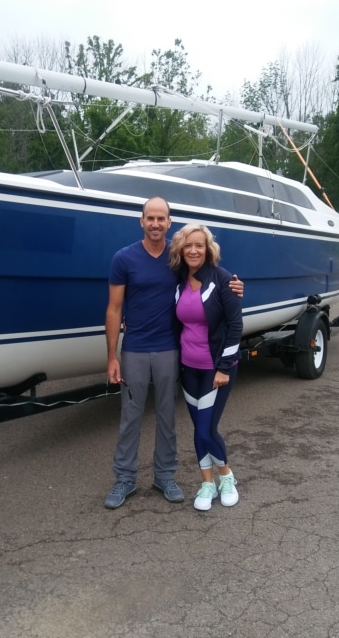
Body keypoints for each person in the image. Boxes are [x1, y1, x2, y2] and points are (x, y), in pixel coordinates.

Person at [104, 197, 243, 509]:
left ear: (169, 223)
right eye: (150, 218)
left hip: (170, 350)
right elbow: (113, 309)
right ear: (142, 221)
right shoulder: (124, 258)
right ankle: (124, 478)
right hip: (135, 350)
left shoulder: (178, 258)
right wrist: (112, 356)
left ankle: (165, 476)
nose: (155, 223)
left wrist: (236, 285)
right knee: (130, 416)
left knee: (167, 416)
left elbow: (213, 279)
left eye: (161, 218)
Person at [169, 223, 243, 511]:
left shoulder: (224, 280)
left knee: (205, 430)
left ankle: (226, 477)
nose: (194, 250)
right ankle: (206, 483)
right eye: (188, 245)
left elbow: (236, 325)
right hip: (189, 368)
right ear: (181, 249)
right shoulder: (177, 279)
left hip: (216, 370)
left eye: (199, 245)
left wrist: (224, 367)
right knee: (199, 429)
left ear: (208, 249)